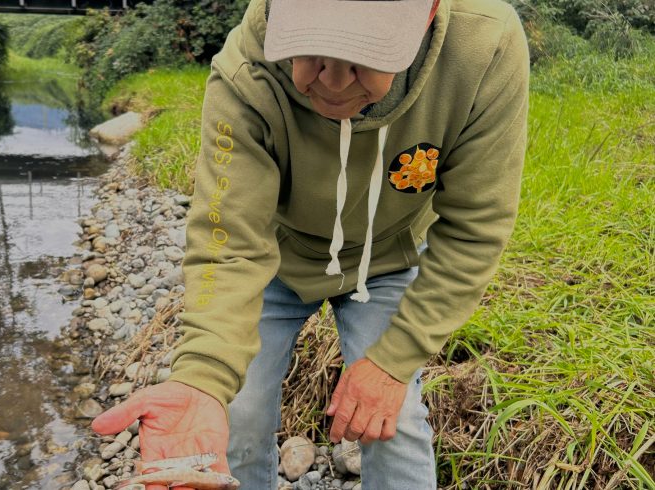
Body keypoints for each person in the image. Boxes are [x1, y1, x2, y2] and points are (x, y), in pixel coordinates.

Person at [93, 0, 529, 487]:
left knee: (395, 421)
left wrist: (392, 363)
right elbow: (230, 240)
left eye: (365, 57)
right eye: (313, 50)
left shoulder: (483, 45)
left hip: (383, 257)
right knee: (235, 413)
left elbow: (476, 227)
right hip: (274, 258)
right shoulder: (247, 69)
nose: (334, 81)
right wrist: (203, 376)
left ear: (426, 15)